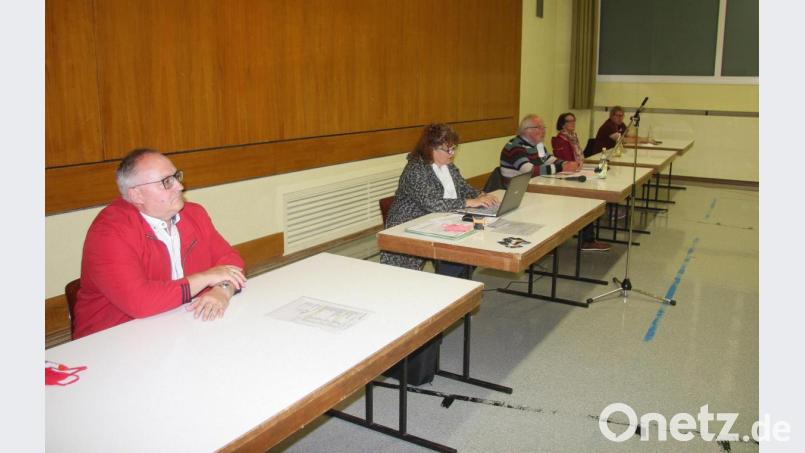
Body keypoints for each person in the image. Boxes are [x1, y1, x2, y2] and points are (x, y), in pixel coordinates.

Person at [72, 149, 247, 338]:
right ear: (137, 195)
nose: (180, 186)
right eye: (166, 182)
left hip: (177, 325)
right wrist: (206, 277)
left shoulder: (194, 214)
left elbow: (231, 261)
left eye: (176, 176)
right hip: (111, 339)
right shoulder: (109, 232)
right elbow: (140, 302)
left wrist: (221, 290)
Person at [380, 123, 498, 274]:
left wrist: (481, 195)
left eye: (453, 148)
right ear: (430, 148)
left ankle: (456, 283)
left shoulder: (448, 166)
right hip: (408, 227)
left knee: (470, 243)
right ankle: (452, 283)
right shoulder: (415, 169)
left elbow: (463, 186)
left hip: (437, 221)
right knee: (458, 252)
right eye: (447, 149)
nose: (452, 153)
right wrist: (468, 202)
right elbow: (432, 203)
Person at [552, 112, 611, 252]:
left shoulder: (573, 137)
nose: (573, 123)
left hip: (578, 171)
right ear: (562, 124)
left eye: (574, 120)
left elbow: (580, 157)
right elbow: (567, 161)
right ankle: (587, 240)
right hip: (567, 176)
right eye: (569, 121)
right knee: (587, 200)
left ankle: (589, 237)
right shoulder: (560, 139)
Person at [499, 114, 580, 185]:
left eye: (543, 127)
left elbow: (548, 159)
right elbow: (530, 171)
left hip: (534, 185)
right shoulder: (514, 147)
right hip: (516, 191)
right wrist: (561, 167)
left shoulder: (538, 145)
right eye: (539, 128)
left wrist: (567, 163)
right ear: (527, 130)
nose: (544, 131)